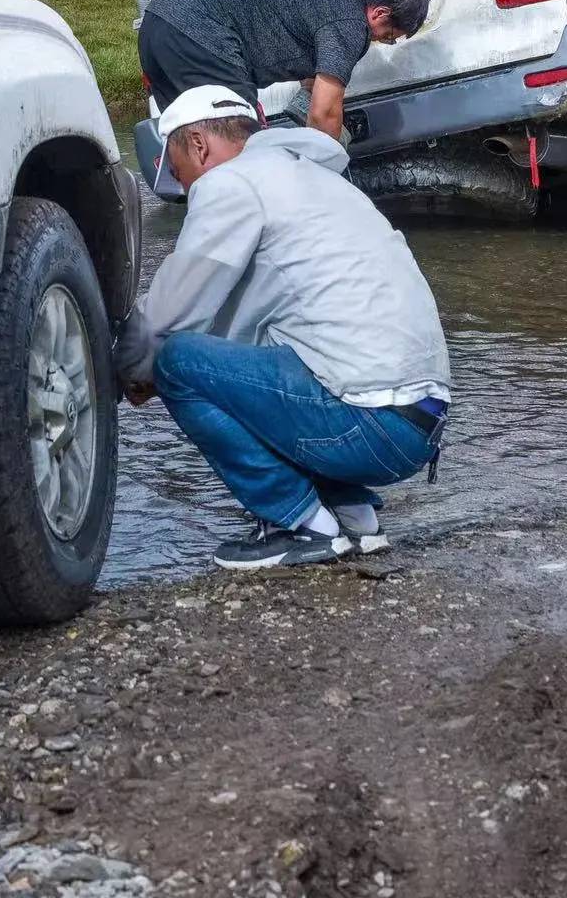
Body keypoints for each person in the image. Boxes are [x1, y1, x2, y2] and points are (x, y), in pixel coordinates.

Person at [114, 84, 451, 570]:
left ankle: (300, 524)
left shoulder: (230, 183)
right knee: (263, 363)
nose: (185, 188)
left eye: (180, 172)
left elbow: (166, 314)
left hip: (367, 425)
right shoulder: (317, 180)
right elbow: (243, 339)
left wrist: (124, 373)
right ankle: (351, 515)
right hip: (417, 424)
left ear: (199, 145)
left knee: (178, 362)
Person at [139, 0, 431, 141]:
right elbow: (324, 112)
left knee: (193, 143)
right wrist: (330, 183)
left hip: (157, 24)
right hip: (200, 35)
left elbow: (315, 61)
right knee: (242, 148)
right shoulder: (351, 22)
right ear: (380, 13)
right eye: (388, 37)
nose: (380, 42)